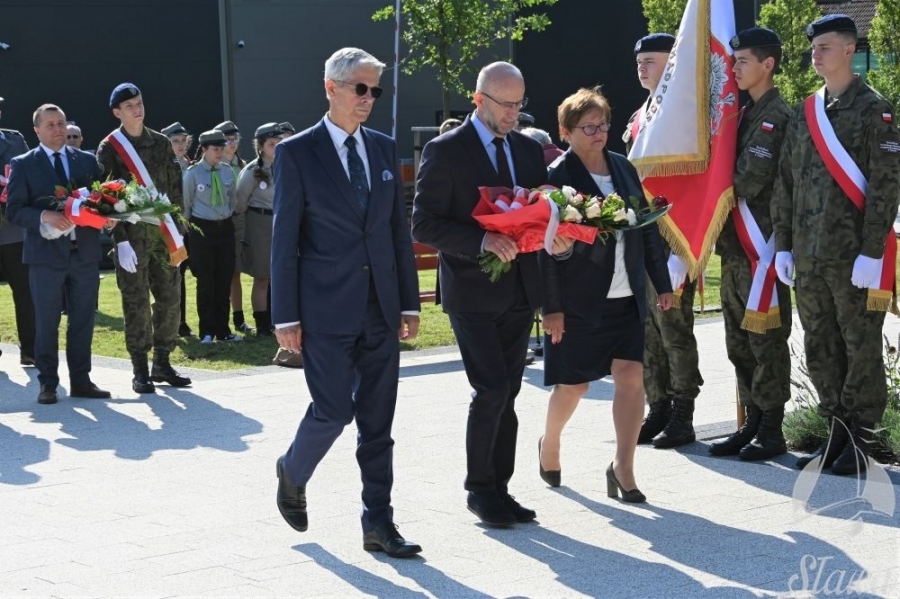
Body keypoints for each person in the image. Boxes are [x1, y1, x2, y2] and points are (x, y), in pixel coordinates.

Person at [271, 47, 422, 557]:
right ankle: (292, 470)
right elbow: (284, 240)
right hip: (323, 310)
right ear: (331, 87)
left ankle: (378, 523)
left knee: (378, 425)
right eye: (361, 88)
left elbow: (395, 234)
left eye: (375, 90)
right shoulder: (297, 153)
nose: (369, 99)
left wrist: (408, 302)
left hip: (380, 308)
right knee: (334, 411)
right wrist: (285, 315)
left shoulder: (382, 148)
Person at [412, 61, 573, 527]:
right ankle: (479, 490)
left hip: (520, 290)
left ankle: (501, 488)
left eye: (520, 103)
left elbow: (539, 212)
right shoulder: (446, 151)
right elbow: (423, 223)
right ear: (478, 99)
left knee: (510, 391)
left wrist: (554, 234)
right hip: (472, 291)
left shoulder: (527, 149)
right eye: (506, 104)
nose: (514, 113)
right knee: (491, 389)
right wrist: (479, 241)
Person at [772, 14, 900, 475]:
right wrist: (783, 245)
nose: (815, 53)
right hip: (808, 256)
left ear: (849, 50)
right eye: (813, 47)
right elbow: (786, 183)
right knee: (821, 345)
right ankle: (836, 436)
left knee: (859, 345)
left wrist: (872, 250)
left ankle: (863, 441)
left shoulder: (875, 110)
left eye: (824, 46)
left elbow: (886, 186)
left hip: (853, 257)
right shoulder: (807, 111)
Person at [537, 88, 672, 501]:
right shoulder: (558, 176)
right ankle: (550, 442)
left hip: (626, 294)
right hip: (579, 299)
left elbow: (645, 226)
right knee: (573, 386)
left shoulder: (623, 168)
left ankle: (623, 467)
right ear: (566, 132)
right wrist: (552, 309)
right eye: (589, 127)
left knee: (631, 376)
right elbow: (544, 249)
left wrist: (661, 283)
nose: (599, 134)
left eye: (604, 125)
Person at [709, 28, 793, 461]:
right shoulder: (741, 115)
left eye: (742, 61)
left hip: (762, 248)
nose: (734, 68)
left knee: (766, 342)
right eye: (733, 60)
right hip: (735, 248)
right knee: (738, 341)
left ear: (768, 64)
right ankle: (752, 422)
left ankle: (772, 428)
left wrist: (708, 181)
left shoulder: (777, 116)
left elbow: (747, 180)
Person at [623, 33, 704, 449]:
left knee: (674, 330)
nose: (642, 67)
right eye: (639, 61)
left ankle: (684, 411)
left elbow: (693, 189)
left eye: (651, 61)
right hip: (641, 243)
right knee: (648, 333)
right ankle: (659, 406)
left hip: (672, 243)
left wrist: (679, 251)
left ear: (672, 64)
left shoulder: (684, 117)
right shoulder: (641, 116)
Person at [5, 104, 110, 404]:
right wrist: (44, 217)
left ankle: (81, 381)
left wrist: (109, 213)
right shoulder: (24, 163)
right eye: (50, 124)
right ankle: (48, 383)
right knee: (46, 321)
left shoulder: (87, 161)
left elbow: (99, 199)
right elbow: (14, 210)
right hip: (45, 256)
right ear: (36, 129)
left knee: (82, 320)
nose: (58, 129)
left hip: (84, 253)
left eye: (62, 123)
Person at [97, 83, 192, 394]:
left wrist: (178, 228)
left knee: (170, 299)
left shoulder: (162, 143)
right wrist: (120, 240)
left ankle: (162, 362)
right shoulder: (110, 147)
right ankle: (140, 368)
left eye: (139, 102)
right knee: (135, 302)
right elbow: (106, 198)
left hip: (163, 235)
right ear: (117, 112)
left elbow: (175, 188)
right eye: (129, 106)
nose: (137, 109)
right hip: (132, 238)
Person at [183, 130, 241, 344]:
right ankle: (207, 331)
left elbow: (232, 199)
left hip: (224, 228)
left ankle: (223, 330)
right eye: (215, 149)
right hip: (201, 229)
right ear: (204, 150)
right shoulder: (193, 173)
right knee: (206, 281)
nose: (220, 153)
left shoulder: (227, 171)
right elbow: (187, 204)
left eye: (221, 148)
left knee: (224, 279)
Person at [234, 122, 281, 336]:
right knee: (262, 277)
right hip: (260, 223)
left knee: (282, 276)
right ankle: (262, 325)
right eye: (272, 144)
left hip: (281, 223)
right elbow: (240, 204)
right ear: (261, 146)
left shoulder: (286, 166)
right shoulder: (252, 171)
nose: (277, 147)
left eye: (280, 143)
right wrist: (242, 236)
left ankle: (278, 321)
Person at [0, 95, 36, 367]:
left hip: (14, 231)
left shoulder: (14, 140)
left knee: (25, 292)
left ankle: (30, 349)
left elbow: (29, 176)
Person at [214, 120, 254, 336]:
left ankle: (240, 318)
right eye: (227, 139)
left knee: (240, 270)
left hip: (243, 220)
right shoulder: (214, 165)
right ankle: (225, 319)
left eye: (235, 138)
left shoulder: (244, 165)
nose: (231, 143)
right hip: (221, 222)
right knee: (229, 273)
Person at [161, 121, 194, 339]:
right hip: (167, 227)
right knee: (166, 278)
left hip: (187, 227)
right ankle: (167, 323)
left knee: (181, 276)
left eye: (183, 141)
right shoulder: (160, 167)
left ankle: (181, 322)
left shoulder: (190, 166)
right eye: (175, 141)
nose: (180, 145)